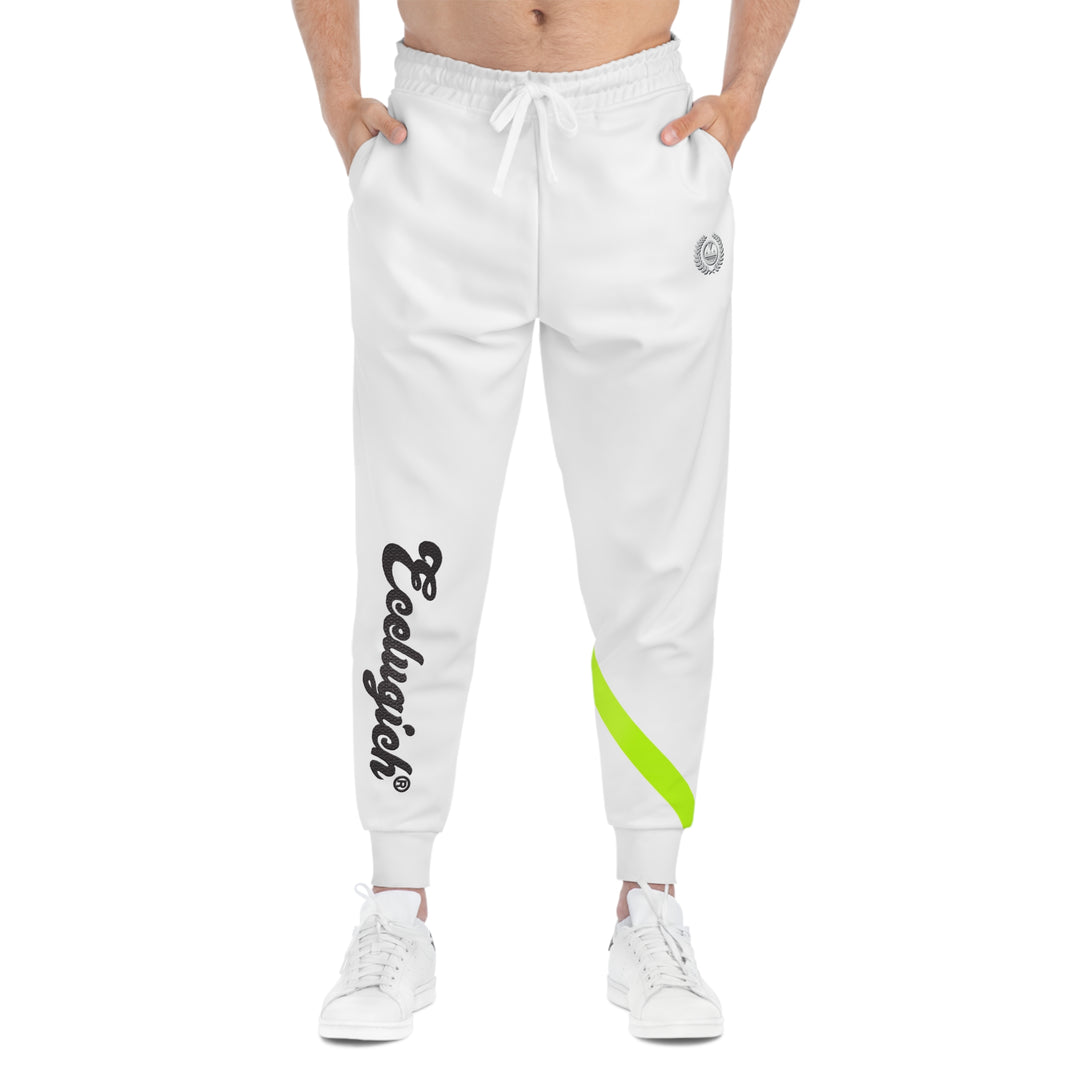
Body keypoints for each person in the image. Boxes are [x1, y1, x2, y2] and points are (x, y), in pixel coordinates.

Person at [291, 0, 799, 1042]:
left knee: (657, 554)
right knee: (411, 550)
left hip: (638, 139)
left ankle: (648, 903)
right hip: (438, 137)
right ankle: (395, 906)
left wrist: (745, 91)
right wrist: (337, 94)